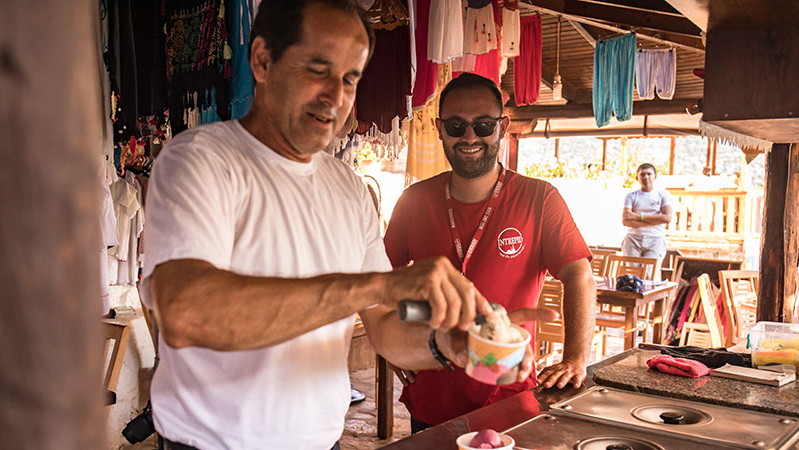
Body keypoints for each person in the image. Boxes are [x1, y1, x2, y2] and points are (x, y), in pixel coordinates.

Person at [140, 2, 550, 449]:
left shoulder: (349, 189)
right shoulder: (199, 162)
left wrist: (453, 344)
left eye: (350, 79)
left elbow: (386, 322)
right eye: (319, 69)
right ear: (261, 60)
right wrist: (375, 286)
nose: (336, 97)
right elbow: (184, 314)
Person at [382, 73, 597, 432]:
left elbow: (579, 274)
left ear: (502, 127)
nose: (469, 137)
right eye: (456, 125)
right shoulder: (414, 201)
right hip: (433, 387)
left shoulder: (540, 199)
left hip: (509, 393)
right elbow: (382, 281)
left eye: (483, 125)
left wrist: (575, 359)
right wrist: (392, 338)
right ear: (439, 128)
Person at [621, 163, 673, 268]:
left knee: (650, 274)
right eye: (642, 175)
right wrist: (656, 220)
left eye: (649, 174)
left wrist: (637, 216)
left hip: (655, 239)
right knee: (632, 274)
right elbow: (626, 221)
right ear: (637, 178)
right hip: (633, 239)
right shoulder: (631, 196)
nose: (646, 177)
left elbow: (667, 218)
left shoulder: (663, 195)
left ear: (655, 176)